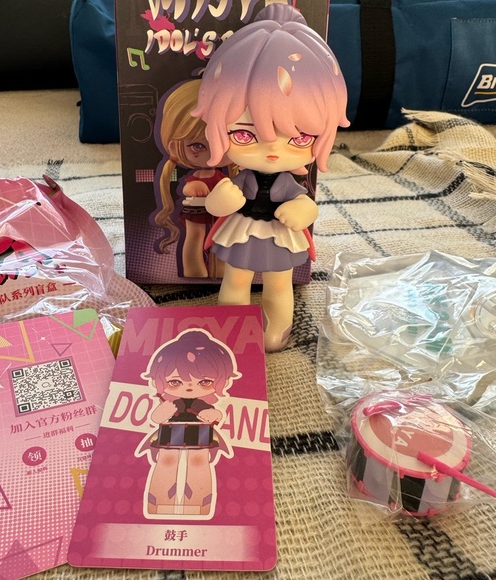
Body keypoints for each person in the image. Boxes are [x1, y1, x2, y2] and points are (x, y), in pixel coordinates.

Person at [193, 4, 349, 351]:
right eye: (245, 134)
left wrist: (303, 210)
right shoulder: (242, 178)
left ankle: (276, 335)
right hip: (243, 230)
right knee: (235, 283)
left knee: (279, 286)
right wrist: (221, 200)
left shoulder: (287, 183)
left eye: (299, 138)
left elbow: (305, 204)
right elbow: (215, 206)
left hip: (280, 235)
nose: (273, 151)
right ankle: (233, 337)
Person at [138, 329, 240, 518]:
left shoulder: (200, 404)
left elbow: (215, 414)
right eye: (176, 382)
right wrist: (160, 414)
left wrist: (214, 414)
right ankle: (158, 504)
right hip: (171, 430)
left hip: (200, 431)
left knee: (198, 462)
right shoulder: (172, 404)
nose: (190, 387)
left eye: (205, 382)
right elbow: (157, 418)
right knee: (166, 461)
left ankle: (199, 506)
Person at [154, 79, 230, 278]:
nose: (213, 154)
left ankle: (221, 270)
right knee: (195, 236)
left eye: (223, 143)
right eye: (198, 146)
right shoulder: (197, 177)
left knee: (222, 237)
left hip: (221, 209)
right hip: (197, 207)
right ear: (176, 145)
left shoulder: (223, 177)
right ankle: (194, 270)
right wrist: (193, 187)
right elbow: (188, 188)